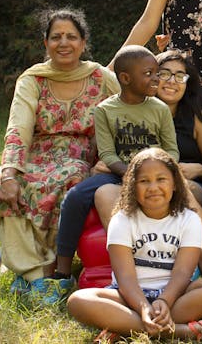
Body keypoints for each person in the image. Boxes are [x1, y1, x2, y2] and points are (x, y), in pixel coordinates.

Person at [0, 9, 119, 301]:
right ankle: (32, 272)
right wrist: (10, 170)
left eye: (71, 36)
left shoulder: (101, 77)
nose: (64, 43)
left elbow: (131, 104)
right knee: (9, 187)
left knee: (69, 176)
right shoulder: (32, 80)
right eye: (56, 37)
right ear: (45, 43)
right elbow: (18, 126)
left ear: (83, 43)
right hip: (36, 154)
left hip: (82, 157)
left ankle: (50, 272)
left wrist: (109, 159)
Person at [67, 148, 202, 342]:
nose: (153, 187)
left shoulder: (189, 219)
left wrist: (164, 300)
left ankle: (123, 326)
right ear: (131, 186)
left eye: (161, 179)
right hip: (128, 297)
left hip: (175, 296)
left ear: (175, 184)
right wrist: (143, 307)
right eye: (144, 181)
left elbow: (182, 272)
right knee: (78, 301)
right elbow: (125, 277)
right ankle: (174, 330)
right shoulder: (122, 220)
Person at [52, 45, 179, 299]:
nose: (156, 79)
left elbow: (172, 151)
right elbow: (108, 154)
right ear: (125, 78)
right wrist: (130, 173)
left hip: (155, 172)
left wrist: (155, 171)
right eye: (149, 73)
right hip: (116, 171)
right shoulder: (105, 110)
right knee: (74, 198)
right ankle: (62, 273)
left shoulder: (160, 109)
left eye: (157, 73)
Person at [93, 49, 202, 277]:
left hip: (185, 182)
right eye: (164, 74)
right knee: (104, 194)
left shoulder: (197, 118)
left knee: (185, 192)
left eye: (180, 76)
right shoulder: (122, 111)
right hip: (136, 181)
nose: (172, 81)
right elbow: (107, 152)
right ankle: (136, 273)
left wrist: (201, 168)